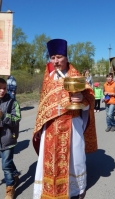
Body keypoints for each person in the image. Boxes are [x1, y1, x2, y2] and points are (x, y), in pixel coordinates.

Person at [32, 39, 97, 199]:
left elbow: (89, 100)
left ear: (66, 57)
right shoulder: (48, 77)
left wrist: (81, 98)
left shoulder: (75, 76)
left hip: (72, 123)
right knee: (49, 157)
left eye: (59, 57)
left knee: (75, 156)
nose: (55, 61)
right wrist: (40, 126)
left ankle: (77, 188)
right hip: (51, 125)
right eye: (52, 57)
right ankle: (48, 189)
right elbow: (43, 103)